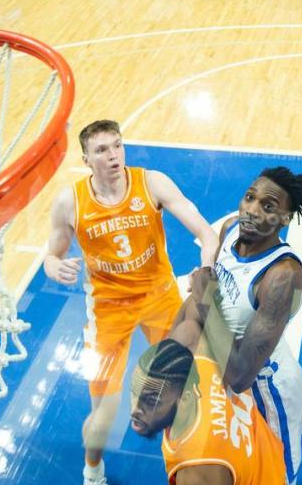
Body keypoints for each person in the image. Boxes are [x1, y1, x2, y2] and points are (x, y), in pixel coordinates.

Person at [44, 119, 219, 485]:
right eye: (102, 150)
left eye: (117, 146)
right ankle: (92, 469)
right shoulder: (69, 202)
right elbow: (51, 255)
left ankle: (195, 459)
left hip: (160, 296)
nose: (113, 156)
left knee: (189, 386)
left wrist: (206, 268)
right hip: (108, 310)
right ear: (86, 159)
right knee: (104, 416)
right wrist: (54, 267)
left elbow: (205, 232)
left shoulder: (151, 182)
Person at [189, 166, 302, 484]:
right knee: (287, 416)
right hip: (235, 357)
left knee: (279, 472)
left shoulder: (282, 275)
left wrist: (205, 298)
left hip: (266, 383)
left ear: (285, 220)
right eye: (250, 197)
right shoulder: (231, 228)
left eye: (268, 206)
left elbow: (242, 375)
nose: (252, 210)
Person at [130, 302, 286, 485]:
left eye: (151, 400)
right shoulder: (198, 354)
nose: (134, 409)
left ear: (185, 398)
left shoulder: (195, 471)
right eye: (135, 392)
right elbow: (196, 304)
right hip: (263, 445)